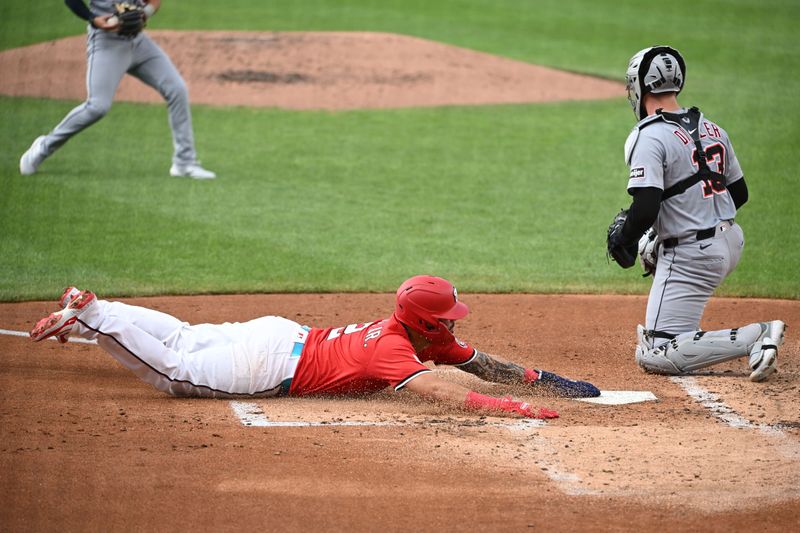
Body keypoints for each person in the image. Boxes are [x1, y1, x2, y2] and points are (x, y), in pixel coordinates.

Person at [29, 276, 601, 420]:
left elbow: (478, 363)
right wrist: (514, 409)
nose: (453, 324)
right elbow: (439, 394)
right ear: (426, 319)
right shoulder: (394, 353)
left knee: (180, 334)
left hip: (275, 335)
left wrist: (546, 380)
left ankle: (96, 311)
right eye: (447, 316)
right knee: (176, 372)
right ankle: (95, 315)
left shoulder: (413, 332)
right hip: (267, 360)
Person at [607, 45, 785, 381]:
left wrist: (625, 237)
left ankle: (756, 335)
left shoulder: (649, 136)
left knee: (655, 352)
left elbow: (646, 208)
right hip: (730, 242)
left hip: (694, 255)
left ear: (642, 87)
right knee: (662, 256)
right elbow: (738, 193)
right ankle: (691, 327)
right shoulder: (712, 128)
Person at [19, 0, 215, 179]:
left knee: (177, 89)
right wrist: (93, 19)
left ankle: (184, 162)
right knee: (97, 106)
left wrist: (144, 13)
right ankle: (43, 147)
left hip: (139, 43)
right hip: (106, 43)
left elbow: (154, 1)